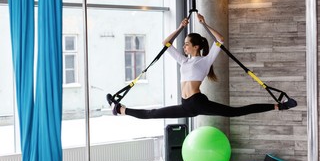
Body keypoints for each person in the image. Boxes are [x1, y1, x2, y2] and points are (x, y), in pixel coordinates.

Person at [107, 13, 297, 118]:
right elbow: (166, 44)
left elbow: (220, 39)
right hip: (185, 105)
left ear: (196, 47)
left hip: (198, 102)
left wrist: (204, 24)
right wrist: (181, 28)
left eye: (187, 44)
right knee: (152, 113)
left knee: (235, 112)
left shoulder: (205, 60)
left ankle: (278, 106)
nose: (184, 47)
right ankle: (119, 109)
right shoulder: (184, 60)